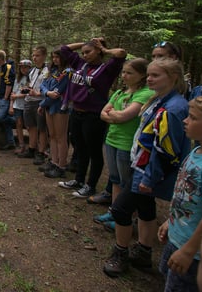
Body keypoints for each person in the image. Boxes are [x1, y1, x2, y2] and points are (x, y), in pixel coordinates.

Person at [103, 58, 190, 278]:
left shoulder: (173, 108)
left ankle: (121, 253)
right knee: (145, 207)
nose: (150, 79)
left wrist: (149, 178)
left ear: (173, 77)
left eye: (156, 75)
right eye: (149, 74)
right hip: (141, 164)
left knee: (121, 209)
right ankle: (143, 251)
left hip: (148, 170)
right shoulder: (158, 99)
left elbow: (167, 151)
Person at [58, 38, 126, 199]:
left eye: (88, 52)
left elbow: (121, 53)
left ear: (98, 51)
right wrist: (85, 43)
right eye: (83, 53)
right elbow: (64, 49)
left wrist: (104, 49)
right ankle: (79, 180)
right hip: (77, 112)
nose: (85, 55)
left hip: (93, 115)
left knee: (94, 151)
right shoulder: (80, 64)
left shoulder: (106, 69)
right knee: (80, 148)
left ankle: (91, 186)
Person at [94, 58, 153, 229]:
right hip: (112, 139)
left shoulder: (145, 93)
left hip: (127, 143)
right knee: (115, 179)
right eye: (123, 72)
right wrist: (116, 116)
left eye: (129, 73)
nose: (124, 76)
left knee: (127, 182)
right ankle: (115, 211)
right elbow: (103, 113)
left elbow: (124, 116)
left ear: (142, 75)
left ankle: (127, 216)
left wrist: (115, 115)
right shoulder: (120, 92)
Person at [157, 96, 202, 291]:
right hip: (176, 239)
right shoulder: (196, 151)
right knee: (167, 279)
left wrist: (189, 250)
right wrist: (171, 221)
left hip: (192, 251)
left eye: (193, 118)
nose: (185, 121)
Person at [39, 49, 71, 178]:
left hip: (60, 107)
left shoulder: (67, 72)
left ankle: (61, 165)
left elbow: (57, 92)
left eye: (57, 57)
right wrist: (47, 93)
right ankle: (54, 161)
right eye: (53, 57)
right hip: (49, 105)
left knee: (60, 137)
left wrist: (43, 103)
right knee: (52, 135)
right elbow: (43, 85)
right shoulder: (52, 71)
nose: (55, 59)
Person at [18, 46, 49, 164]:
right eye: (33, 55)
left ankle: (41, 152)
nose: (35, 58)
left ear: (44, 56)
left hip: (40, 102)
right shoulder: (32, 70)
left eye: (37, 55)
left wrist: (38, 93)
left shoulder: (48, 71)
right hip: (28, 101)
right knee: (30, 126)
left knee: (42, 128)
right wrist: (26, 89)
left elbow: (49, 88)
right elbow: (31, 83)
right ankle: (32, 148)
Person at [0, 50, 16, 150]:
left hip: (5, 98)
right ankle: (11, 142)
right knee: (6, 123)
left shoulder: (8, 67)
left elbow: (9, 83)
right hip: (1, 97)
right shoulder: (1, 67)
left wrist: (6, 97)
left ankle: (15, 119)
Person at [10, 59, 31, 154]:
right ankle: (21, 144)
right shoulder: (17, 79)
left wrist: (17, 96)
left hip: (27, 105)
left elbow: (29, 93)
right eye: (21, 67)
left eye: (25, 67)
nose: (23, 69)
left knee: (29, 125)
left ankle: (33, 145)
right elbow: (13, 93)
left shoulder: (31, 78)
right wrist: (11, 106)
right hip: (17, 106)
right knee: (18, 124)